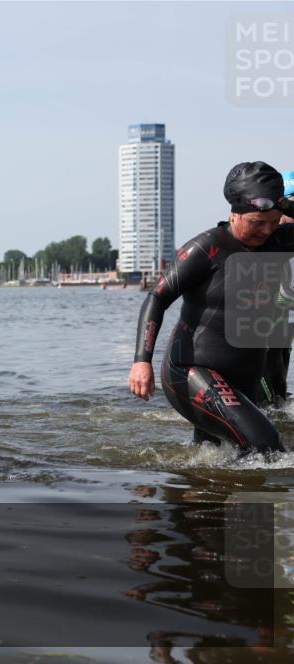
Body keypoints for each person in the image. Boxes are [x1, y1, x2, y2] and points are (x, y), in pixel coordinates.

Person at [128, 161, 294, 454]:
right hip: (191, 371)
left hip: (241, 379)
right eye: (257, 223)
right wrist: (142, 361)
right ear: (235, 212)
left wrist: (284, 206)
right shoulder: (207, 248)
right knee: (266, 446)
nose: (266, 231)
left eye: (273, 222)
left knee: (214, 458)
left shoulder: (278, 242)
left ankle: (201, 497)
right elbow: (157, 297)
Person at [258, 170, 294, 405]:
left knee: (280, 382)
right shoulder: (266, 235)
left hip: (286, 315)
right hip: (262, 320)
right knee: (268, 379)